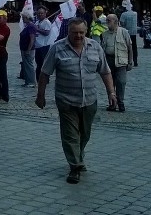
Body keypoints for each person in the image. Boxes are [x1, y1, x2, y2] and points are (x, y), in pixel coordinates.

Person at [36, 17, 116, 184]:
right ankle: (75, 167)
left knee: (84, 134)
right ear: (68, 32)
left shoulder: (95, 47)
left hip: (89, 100)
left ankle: (78, 156)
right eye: (74, 33)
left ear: (86, 32)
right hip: (66, 100)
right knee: (70, 134)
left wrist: (111, 93)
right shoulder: (57, 48)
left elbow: (105, 72)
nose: (78, 36)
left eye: (81, 32)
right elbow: (45, 73)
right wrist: (41, 95)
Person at [99, 14, 133, 112]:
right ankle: (112, 104)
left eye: (109, 20)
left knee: (121, 82)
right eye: (107, 20)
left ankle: (120, 102)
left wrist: (130, 61)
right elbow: (102, 49)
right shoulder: (104, 34)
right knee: (110, 83)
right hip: (108, 61)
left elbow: (130, 47)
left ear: (116, 21)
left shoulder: (124, 32)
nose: (107, 22)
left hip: (121, 61)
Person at [34, 7, 53, 82]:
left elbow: (46, 33)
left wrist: (37, 29)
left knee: (43, 64)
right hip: (38, 45)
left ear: (45, 13)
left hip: (44, 46)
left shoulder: (47, 22)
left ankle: (45, 79)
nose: (40, 14)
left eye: (42, 13)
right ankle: (39, 78)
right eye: (38, 13)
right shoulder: (38, 21)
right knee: (38, 63)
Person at [19, 10, 37, 88]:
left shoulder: (31, 26)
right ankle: (27, 81)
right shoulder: (27, 26)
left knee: (29, 65)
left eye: (23, 17)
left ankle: (31, 82)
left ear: (27, 18)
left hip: (28, 49)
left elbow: (32, 39)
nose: (22, 19)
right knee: (26, 66)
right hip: (24, 48)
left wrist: (28, 49)